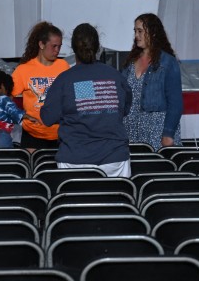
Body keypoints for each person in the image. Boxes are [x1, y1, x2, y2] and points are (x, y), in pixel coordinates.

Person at [41, 23, 132, 178]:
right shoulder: (116, 76)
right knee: (117, 201)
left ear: (73, 49)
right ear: (97, 47)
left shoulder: (65, 80)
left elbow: (47, 117)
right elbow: (124, 109)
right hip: (114, 161)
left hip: (74, 161)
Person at [123, 12, 183, 149]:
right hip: (130, 129)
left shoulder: (168, 62)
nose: (136, 36)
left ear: (153, 33)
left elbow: (175, 103)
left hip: (156, 132)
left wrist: (168, 134)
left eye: (140, 31)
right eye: (135, 31)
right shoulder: (130, 62)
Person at [11, 21, 69, 153]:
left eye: (59, 47)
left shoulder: (63, 66)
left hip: (60, 135)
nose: (57, 51)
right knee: (33, 172)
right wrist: (21, 115)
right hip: (33, 135)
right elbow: (6, 98)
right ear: (41, 44)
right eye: (53, 46)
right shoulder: (23, 70)